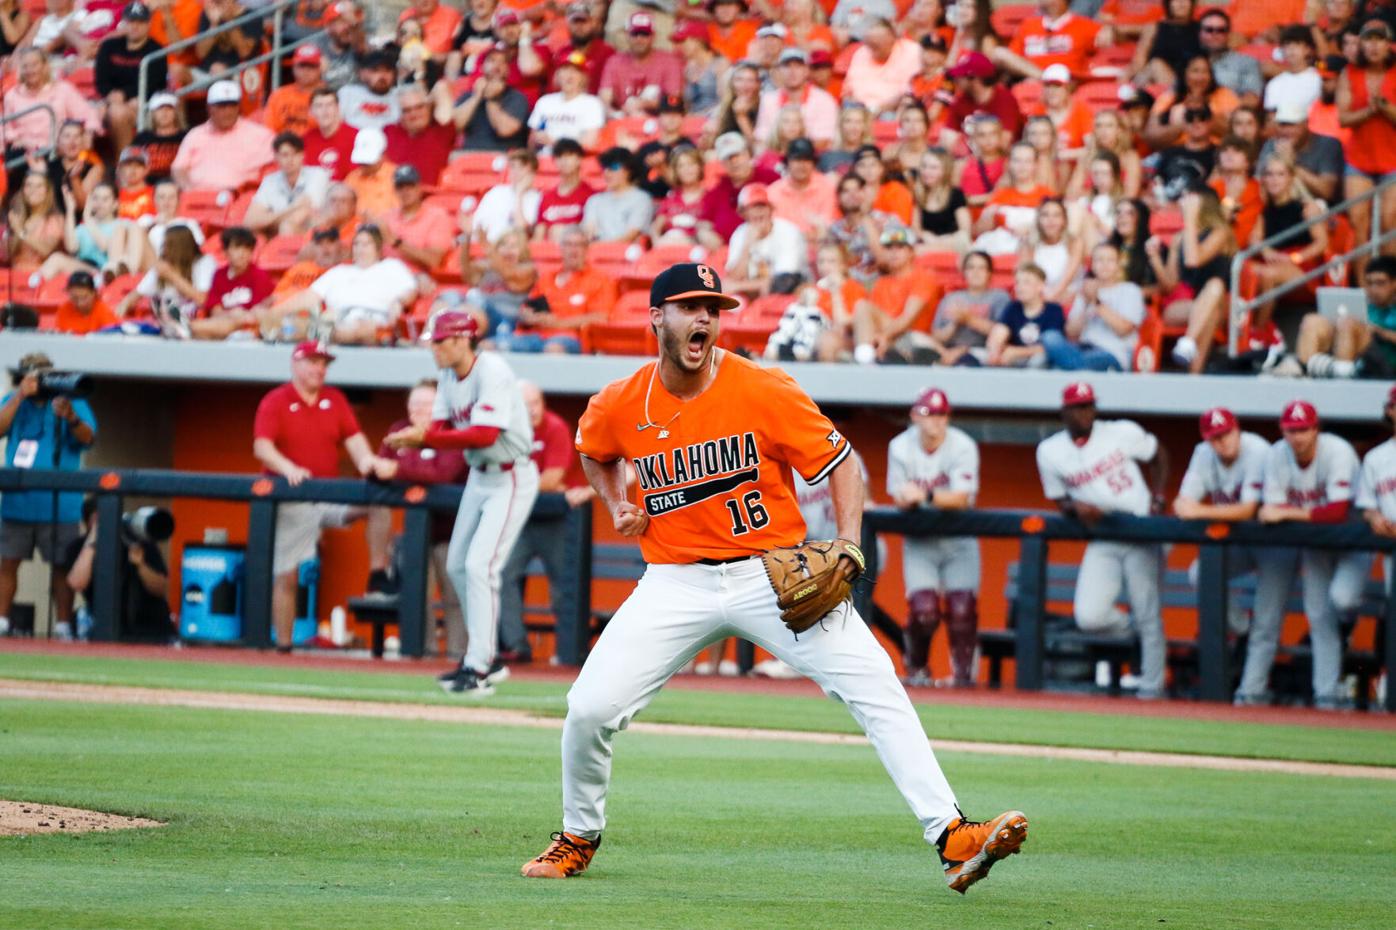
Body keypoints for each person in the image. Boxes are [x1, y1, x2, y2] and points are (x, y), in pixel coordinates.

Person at [520, 259, 1027, 889]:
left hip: (771, 578)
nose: (704, 316)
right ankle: (577, 835)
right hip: (674, 581)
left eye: (713, 306)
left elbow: (842, 463)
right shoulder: (620, 402)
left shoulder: (761, 387)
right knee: (589, 709)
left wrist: (847, 542)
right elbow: (594, 449)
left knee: (876, 683)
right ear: (656, 317)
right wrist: (616, 498)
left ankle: (952, 835)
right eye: (688, 306)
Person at [386, 312, 538, 696]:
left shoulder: (493, 371)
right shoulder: (449, 375)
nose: (433, 347)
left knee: (479, 565)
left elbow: (485, 434)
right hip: (480, 474)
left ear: (460, 340)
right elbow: (439, 428)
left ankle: (480, 665)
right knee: (457, 565)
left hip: (510, 472)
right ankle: (483, 655)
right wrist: (423, 436)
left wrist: (425, 441)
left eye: (439, 341)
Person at [1035, 381, 1169, 698]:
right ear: (1064, 411)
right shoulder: (1050, 451)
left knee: (1148, 612)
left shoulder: (1120, 432)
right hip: (1103, 533)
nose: (1086, 412)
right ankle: (1136, 635)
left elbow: (1159, 454)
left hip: (1138, 526)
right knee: (1090, 616)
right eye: (1078, 407)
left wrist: (1159, 498)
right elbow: (1058, 498)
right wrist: (1075, 508)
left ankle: (1152, 689)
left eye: (1089, 405)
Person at [253, 341, 376, 651]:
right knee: (287, 576)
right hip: (292, 496)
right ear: (296, 364)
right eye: (313, 362)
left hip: (328, 494)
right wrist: (287, 467)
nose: (319, 369)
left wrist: (367, 463)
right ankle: (283, 646)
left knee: (377, 504)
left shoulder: (334, 399)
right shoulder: (276, 399)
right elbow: (262, 447)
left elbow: (355, 439)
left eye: (324, 364)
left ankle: (379, 573)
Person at [1248, 400, 1368, 709]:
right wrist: (1293, 513)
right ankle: (1326, 698)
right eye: (1292, 430)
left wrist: (1289, 511)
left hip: (1353, 541)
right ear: (1283, 431)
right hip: (1316, 545)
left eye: (1304, 429)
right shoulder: (1277, 454)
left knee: (1342, 599)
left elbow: (1337, 512)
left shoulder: (1338, 451)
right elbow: (1270, 513)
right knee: (1318, 616)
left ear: (1316, 429)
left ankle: (1349, 623)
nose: (1298, 437)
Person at [365, 378, 468, 655]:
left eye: (426, 404)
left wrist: (399, 469)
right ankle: (421, 652)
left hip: (453, 530)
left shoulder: (455, 431)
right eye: (415, 404)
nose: (419, 410)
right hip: (415, 532)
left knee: (455, 597)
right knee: (416, 594)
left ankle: (459, 656)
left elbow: (441, 474)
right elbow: (377, 468)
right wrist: (394, 466)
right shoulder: (399, 429)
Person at [887, 387, 981, 688]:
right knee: (924, 611)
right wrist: (908, 498)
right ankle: (916, 668)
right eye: (930, 414)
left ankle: (963, 678)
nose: (936, 421)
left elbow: (962, 499)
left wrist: (925, 495)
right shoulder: (900, 446)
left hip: (959, 540)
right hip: (921, 541)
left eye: (941, 414)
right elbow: (900, 496)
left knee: (962, 609)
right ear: (915, 415)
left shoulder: (962, 445)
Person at [0, 353, 97, 640]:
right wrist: (19, 395)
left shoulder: (71, 400)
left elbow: (88, 438)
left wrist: (70, 417)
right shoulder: (14, 399)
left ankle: (63, 626)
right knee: (7, 563)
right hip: (18, 502)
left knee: (61, 567)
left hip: (60, 503)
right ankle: (3, 621)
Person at [497, 381, 593, 664]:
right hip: (521, 519)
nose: (532, 410)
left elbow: (553, 477)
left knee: (564, 584)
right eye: (525, 405)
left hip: (558, 519)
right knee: (502, 574)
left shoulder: (554, 427)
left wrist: (516, 487)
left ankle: (568, 651)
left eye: (536, 403)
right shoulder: (508, 430)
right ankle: (516, 645)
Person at [1173, 407, 1277, 638]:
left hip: (1272, 543)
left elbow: (1248, 510)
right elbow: (1182, 503)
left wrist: (1200, 511)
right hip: (1240, 542)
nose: (1223, 441)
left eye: (1227, 433)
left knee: (1268, 621)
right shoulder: (1203, 453)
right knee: (1199, 573)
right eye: (1216, 437)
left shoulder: (1258, 450)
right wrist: (1189, 507)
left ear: (1237, 430)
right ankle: (1242, 629)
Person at [277, 224, 418, 344]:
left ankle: (326, 334)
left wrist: (399, 302)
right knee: (291, 326)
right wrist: (274, 312)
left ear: (378, 247)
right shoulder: (339, 271)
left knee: (357, 328)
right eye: (356, 244)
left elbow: (410, 291)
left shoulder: (392, 266)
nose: (360, 248)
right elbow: (308, 297)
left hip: (373, 321)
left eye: (366, 244)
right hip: (336, 320)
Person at [64, 496, 171, 642]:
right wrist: (93, 541)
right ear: (87, 522)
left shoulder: (139, 542)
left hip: (151, 627)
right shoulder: (78, 547)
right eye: (98, 519)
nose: (107, 522)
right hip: (105, 627)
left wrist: (140, 565)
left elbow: (162, 589)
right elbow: (77, 583)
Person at [1336, 19, 1396, 271]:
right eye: (1368, 39)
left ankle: (1389, 288)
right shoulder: (1349, 72)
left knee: (1389, 222)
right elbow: (1343, 118)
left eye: (1379, 39)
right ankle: (1363, 289)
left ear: (1389, 44)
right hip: (1359, 160)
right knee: (1358, 223)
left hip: (1392, 160)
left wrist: (1384, 108)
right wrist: (1370, 112)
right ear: (1360, 44)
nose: (1373, 46)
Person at [1044, 241, 1144, 371]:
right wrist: (1085, 304)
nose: (1104, 265)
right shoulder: (1086, 291)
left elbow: (1124, 329)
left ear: (1118, 265)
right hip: (1082, 348)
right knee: (1050, 337)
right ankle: (1072, 365)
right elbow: (1071, 333)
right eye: (1099, 260)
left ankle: (1070, 366)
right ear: (1092, 265)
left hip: (1113, 353)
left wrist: (1095, 302)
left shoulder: (1130, 290)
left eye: (1110, 260)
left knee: (1059, 368)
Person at [1297, 253, 1396, 378]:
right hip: (1358, 357)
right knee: (1312, 321)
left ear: (1394, 283)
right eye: (1369, 283)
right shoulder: (1365, 305)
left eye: (1380, 283)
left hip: (1386, 364)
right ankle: (1304, 375)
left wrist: (1379, 331)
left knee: (1347, 324)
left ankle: (1341, 381)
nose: (1373, 289)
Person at [853, 225, 944, 363]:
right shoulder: (881, 282)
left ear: (911, 252)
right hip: (887, 335)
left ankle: (866, 360)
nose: (894, 252)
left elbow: (908, 318)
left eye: (900, 247)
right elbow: (873, 320)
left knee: (862, 306)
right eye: (889, 248)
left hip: (912, 337)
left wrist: (884, 336)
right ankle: (866, 357)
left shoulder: (923, 277)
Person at [170, 80, 275, 191]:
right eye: (222, 106)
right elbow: (178, 169)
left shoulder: (261, 135)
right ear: (209, 108)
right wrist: (188, 189)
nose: (228, 112)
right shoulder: (195, 135)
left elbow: (275, 169)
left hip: (243, 198)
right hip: (200, 198)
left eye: (232, 106)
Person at [524, 226, 613, 353]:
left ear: (587, 249)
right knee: (494, 345)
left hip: (571, 337)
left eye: (579, 245)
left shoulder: (600, 279)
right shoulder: (546, 278)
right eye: (568, 244)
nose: (573, 250)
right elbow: (527, 308)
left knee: (553, 349)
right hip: (536, 334)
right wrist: (531, 317)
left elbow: (600, 317)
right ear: (561, 248)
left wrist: (559, 323)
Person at [94, 1, 165, 156]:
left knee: (119, 112)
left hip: (142, 102)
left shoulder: (156, 50)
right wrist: (112, 96)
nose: (135, 26)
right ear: (124, 23)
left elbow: (153, 84)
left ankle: (125, 162)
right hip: (110, 100)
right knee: (105, 111)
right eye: (131, 21)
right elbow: (101, 81)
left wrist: (123, 95)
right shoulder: (109, 46)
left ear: (148, 24)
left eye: (140, 22)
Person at [724, 183, 807, 298]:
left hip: (790, 294)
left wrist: (738, 286)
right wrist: (747, 246)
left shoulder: (788, 232)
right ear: (743, 213)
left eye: (762, 206)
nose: (759, 212)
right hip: (753, 295)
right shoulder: (740, 233)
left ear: (771, 209)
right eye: (752, 207)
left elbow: (785, 281)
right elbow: (733, 277)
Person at [193, 226, 276, 340]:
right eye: (237, 248)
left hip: (250, 328)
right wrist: (230, 314)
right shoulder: (219, 275)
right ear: (226, 251)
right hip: (223, 323)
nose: (242, 253)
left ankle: (187, 326)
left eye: (247, 248)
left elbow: (258, 311)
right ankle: (188, 327)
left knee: (237, 320)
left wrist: (238, 315)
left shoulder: (259, 275)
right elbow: (215, 310)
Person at [1256, 100, 1344, 205]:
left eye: (1292, 125)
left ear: (1306, 124)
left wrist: (1292, 164)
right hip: (1279, 207)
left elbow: (1327, 192)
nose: (1286, 131)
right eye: (1282, 125)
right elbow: (1259, 183)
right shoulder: (1271, 144)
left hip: (1319, 209)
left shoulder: (1327, 144)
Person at [930, 251, 1010, 365]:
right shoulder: (951, 298)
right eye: (971, 268)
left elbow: (1003, 333)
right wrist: (954, 324)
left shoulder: (999, 297)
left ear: (989, 273)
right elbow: (936, 335)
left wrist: (969, 319)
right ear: (964, 272)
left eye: (981, 268)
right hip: (947, 350)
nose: (976, 273)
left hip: (982, 351)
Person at [244, 132, 332, 238]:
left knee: (287, 227)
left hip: (314, 237)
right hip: (282, 236)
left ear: (303, 155)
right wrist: (292, 208)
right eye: (285, 155)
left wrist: (269, 221)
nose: (290, 160)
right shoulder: (270, 181)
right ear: (276, 157)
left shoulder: (317, 174)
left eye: (295, 154)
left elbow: (303, 214)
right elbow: (249, 222)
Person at [599, 11, 683, 117]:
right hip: (624, 121)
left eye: (644, 34)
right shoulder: (614, 61)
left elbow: (674, 100)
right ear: (627, 36)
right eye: (634, 34)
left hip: (662, 123)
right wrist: (615, 115)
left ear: (653, 36)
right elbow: (604, 98)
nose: (639, 39)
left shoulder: (669, 61)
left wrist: (643, 104)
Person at [985, 263, 1066, 367]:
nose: (1020, 287)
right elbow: (999, 333)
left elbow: (1051, 347)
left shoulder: (1054, 310)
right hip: (1016, 358)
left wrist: (1016, 352)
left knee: (1039, 360)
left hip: (1038, 359)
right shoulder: (1013, 308)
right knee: (984, 356)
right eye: (1017, 282)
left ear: (1040, 286)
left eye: (1026, 282)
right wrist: (995, 352)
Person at [754, 47, 838, 147]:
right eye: (787, 66)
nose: (792, 71)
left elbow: (823, 141)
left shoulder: (824, 100)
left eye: (798, 66)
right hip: (776, 156)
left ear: (807, 70)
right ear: (779, 70)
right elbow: (761, 139)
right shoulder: (768, 99)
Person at [452, 45, 530, 152]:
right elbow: (454, 126)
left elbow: (505, 130)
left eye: (503, 62)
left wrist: (491, 98)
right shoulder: (468, 96)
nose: (497, 65)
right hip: (469, 156)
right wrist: (477, 96)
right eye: (491, 61)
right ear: (482, 67)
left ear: (508, 70)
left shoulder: (517, 98)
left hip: (504, 157)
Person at [843, 17, 922, 115]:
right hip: (859, 110)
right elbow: (848, 89)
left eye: (877, 45)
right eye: (869, 44)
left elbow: (908, 92)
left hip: (894, 111)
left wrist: (877, 110)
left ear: (892, 39)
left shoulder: (912, 51)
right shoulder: (862, 52)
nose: (871, 48)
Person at [529, 51, 607, 151]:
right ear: (557, 75)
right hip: (544, 159)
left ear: (583, 77)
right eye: (565, 70)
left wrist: (554, 142)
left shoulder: (592, 104)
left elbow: (589, 143)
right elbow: (531, 141)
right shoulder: (544, 102)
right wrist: (537, 140)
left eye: (575, 71)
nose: (569, 76)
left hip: (574, 161)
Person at [582, 147, 653, 243]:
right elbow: (588, 231)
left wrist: (606, 249)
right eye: (605, 168)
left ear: (628, 170)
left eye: (614, 167)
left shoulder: (641, 199)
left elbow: (631, 235)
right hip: (597, 252)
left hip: (626, 253)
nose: (607, 172)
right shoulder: (594, 201)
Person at [913, 147, 970, 250]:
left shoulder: (956, 194)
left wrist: (939, 242)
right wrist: (924, 235)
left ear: (945, 170)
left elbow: (965, 231)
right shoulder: (917, 194)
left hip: (951, 244)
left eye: (933, 168)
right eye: (924, 166)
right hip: (927, 243)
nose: (927, 171)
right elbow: (916, 229)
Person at [303, 87, 359, 181]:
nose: (325, 111)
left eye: (329, 105)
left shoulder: (356, 136)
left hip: (345, 191)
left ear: (337, 108)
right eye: (319, 106)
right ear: (311, 111)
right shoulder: (306, 139)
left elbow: (357, 177)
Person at [338, 49, 401, 131]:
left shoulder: (402, 96)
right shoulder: (347, 93)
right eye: (375, 70)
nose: (382, 76)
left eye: (387, 70)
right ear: (362, 73)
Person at [131, 92, 186, 183]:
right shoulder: (142, 138)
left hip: (179, 183)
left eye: (169, 109)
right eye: (160, 109)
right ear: (152, 113)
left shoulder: (187, 137)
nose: (164, 113)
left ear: (176, 113)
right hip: (148, 185)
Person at [51, 270, 118, 334]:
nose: (80, 303)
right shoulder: (64, 310)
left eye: (84, 298)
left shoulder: (104, 311)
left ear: (93, 293)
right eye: (75, 298)